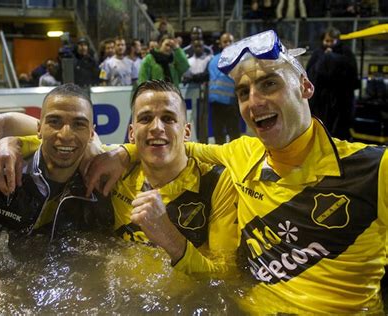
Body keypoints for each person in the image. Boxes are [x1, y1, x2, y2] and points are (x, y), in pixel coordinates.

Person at [85, 30, 388, 313]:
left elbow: (177, 140)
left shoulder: (375, 168)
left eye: (270, 83)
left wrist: (167, 233)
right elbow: (172, 147)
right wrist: (123, 151)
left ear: (305, 86)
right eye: (243, 92)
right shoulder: (241, 153)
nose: (255, 101)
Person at [110, 80, 237, 274]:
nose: (157, 127)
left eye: (168, 118)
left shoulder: (217, 183)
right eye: (145, 118)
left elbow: (226, 276)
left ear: (186, 132)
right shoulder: (115, 173)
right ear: (131, 134)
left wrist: (169, 236)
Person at [0, 83, 113, 240]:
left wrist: (126, 155)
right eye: (54, 122)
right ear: (38, 128)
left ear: (91, 134)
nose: (66, 135)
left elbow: (137, 152)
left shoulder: (105, 182)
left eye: (79, 124)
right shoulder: (0, 169)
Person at [306, 26, 359, 140]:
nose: (329, 44)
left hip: (340, 99)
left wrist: (331, 58)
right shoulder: (318, 53)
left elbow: (351, 73)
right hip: (321, 99)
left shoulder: (346, 52)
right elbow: (311, 73)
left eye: (332, 41)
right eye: (327, 41)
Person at [208, 33, 240, 144]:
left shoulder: (238, 59)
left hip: (231, 103)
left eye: (230, 41)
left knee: (234, 135)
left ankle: (236, 159)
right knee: (218, 135)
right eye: (225, 42)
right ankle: (220, 160)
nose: (228, 44)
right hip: (216, 104)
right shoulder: (213, 60)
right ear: (220, 44)